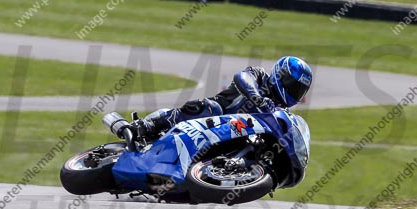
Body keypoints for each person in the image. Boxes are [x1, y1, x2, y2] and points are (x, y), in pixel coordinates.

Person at [132, 55, 312, 141]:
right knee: (209, 107)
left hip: (235, 137)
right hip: (215, 118)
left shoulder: (280, 114)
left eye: (299, 90)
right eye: (293, 86)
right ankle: (151, 125)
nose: (294, 92)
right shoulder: (259, 76)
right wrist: (257, 98)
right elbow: (242, 78)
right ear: (280, 75)